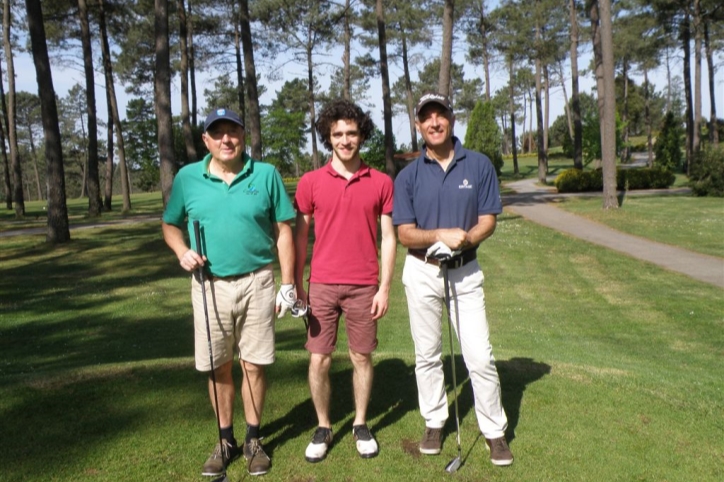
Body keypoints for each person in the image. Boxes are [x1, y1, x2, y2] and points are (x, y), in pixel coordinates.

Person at [162, 108, 297, 477]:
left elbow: (284, 229)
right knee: (218, 365)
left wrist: (288, 284)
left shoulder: (266, 174)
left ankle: (254, 439)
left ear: (243, 136)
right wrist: (181, 250)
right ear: (206, 140)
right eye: (217, 133)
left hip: (257, 280)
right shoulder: (188, 178)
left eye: (233, 131)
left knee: (253, 363)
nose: (226, 139)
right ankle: (225, 440)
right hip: (209, 284)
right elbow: (170, 225)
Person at [392, 93, 514, 467]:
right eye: (426, 118)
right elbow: (404, 234)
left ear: (451, 119)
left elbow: (488, 219)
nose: (434, 123)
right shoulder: (408, 175)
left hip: (464, 271)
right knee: (427, 355)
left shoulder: (477, 165)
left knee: (479, 356)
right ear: (418, 126)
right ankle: (434, 421)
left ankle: (494, 431)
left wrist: (464, 239)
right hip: (422, 270)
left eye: (440, 115)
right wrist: (439, 236)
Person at [294, 99, 396, 463]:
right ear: (328, 137)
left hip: (364, 286)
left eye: (351, 133)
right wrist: (296, 284)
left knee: (361, 357)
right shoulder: (310, 182)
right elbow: (300, 238)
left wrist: (385, 287)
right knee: (319, 359)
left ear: (362, 135)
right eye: (337, 133)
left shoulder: (382, 182)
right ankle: (323, 425)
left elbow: (389, 238)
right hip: (321, 285)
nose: (345, 140)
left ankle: (361, 423)